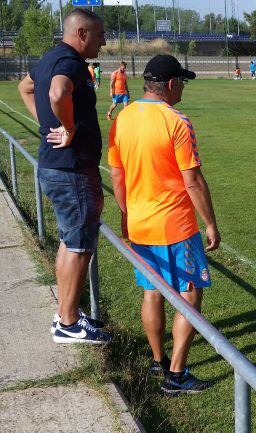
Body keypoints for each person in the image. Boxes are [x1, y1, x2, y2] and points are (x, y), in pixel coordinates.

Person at [108, 54, 220, 395]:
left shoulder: (123, 118)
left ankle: (158, 361)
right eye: (182, 81)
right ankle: (177, 374)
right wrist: (211, 224)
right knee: (189, 292)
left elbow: (116, 173)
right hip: (176, 224)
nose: (183, 87)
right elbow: (193, 181)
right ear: (171, 84)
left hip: (139, 223)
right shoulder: (176, 121)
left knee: (151, 291)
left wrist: (126, 214)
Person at [17, 8, 110, 344]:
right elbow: (58, 93)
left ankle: (66, 315)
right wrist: (66, 127)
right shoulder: (69, 62)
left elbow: (25, 87)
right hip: (72, 170)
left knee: (70, 243)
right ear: (81, 33)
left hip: (58, 167)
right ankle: (69, 324)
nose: (104, 42)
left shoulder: (49, 57)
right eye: (100, 35)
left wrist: (48, 126)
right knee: (79, 246)